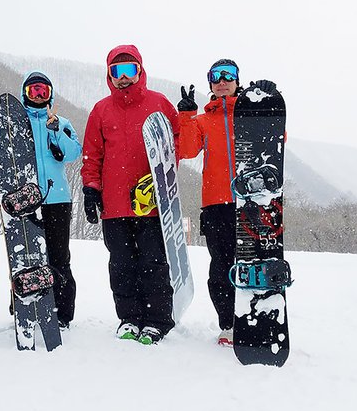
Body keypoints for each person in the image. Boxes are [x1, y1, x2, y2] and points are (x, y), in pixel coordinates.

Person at [176, 58, 278, 346]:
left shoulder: (249, 115)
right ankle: (230, 324)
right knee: (221, 268)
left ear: (237, 80)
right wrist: (186, 116)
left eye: (228, 75)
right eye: (216, 76)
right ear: (210, 83)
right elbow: (185, 151)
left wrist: (267, 103)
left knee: (254, 263)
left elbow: (275, 140)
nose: (222, 81)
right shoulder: (202, 121)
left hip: (251, 202)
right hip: (216, 205)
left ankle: (257, 317)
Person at [81, 44, 178, 345]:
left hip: (151, 205)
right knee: (122, 265)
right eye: (116, 72)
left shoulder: (159, 103)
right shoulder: (101, 110)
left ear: (140, 71)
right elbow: (92, 155)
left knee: (153, 263)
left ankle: (157, 321)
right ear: (109, 75)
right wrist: (90, 189)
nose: (123, 78)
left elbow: (177, 143)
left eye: (129, 70)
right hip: (115, 205)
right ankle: (129, 318)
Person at [0, 72, 82, 329]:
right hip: (24, 200)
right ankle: (25, 308)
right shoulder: (14, 122)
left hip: (56, 200)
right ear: (24, 93)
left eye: (42, 92)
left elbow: (73, 153)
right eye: (33, 91)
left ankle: (62, 314)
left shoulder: (61, 122)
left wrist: (55, 128)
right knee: (25, 257)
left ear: (50, 95)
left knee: (58, 258)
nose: (38, 96)